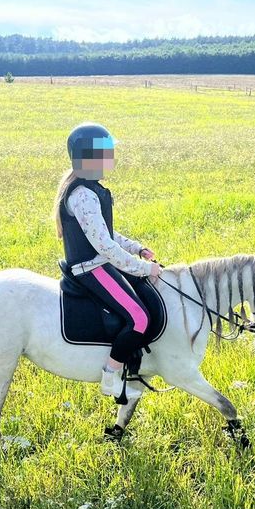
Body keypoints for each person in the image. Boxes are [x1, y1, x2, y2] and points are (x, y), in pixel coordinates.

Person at [53, 122, 162, 401]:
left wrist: (137, 248)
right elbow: (104, 246)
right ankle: (111, 374)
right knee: (139, 318)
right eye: (106, 153)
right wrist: (144, 269)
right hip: (91, 267)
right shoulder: (83, 195)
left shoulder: (91, 189)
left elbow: (107, 232)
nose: (111, 158)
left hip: (99, 262)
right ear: (88, 158)